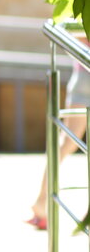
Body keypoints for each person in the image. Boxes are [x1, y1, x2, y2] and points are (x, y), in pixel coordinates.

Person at [28, 59, 90, 230]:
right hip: (84, 74)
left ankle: (41, 202)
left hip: (82, 74)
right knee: (66, 143)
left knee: (65, 143)